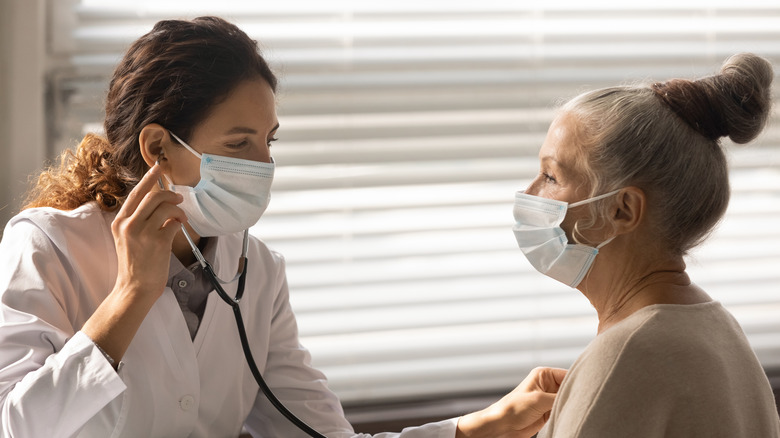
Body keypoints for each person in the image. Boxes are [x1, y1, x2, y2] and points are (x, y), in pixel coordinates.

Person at [0, 16, 566, 438]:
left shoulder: (255, 272)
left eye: (267, 142)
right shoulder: (48, 246)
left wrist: (479, 427)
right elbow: (17, 424)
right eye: (238, 144)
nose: (263, 166)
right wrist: (130, 297)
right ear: (158, 149)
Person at [511, 52, 780, 437]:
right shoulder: (717, 330)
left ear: (622, 210)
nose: (529, 193)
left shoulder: (625, 356)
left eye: (551, 176)